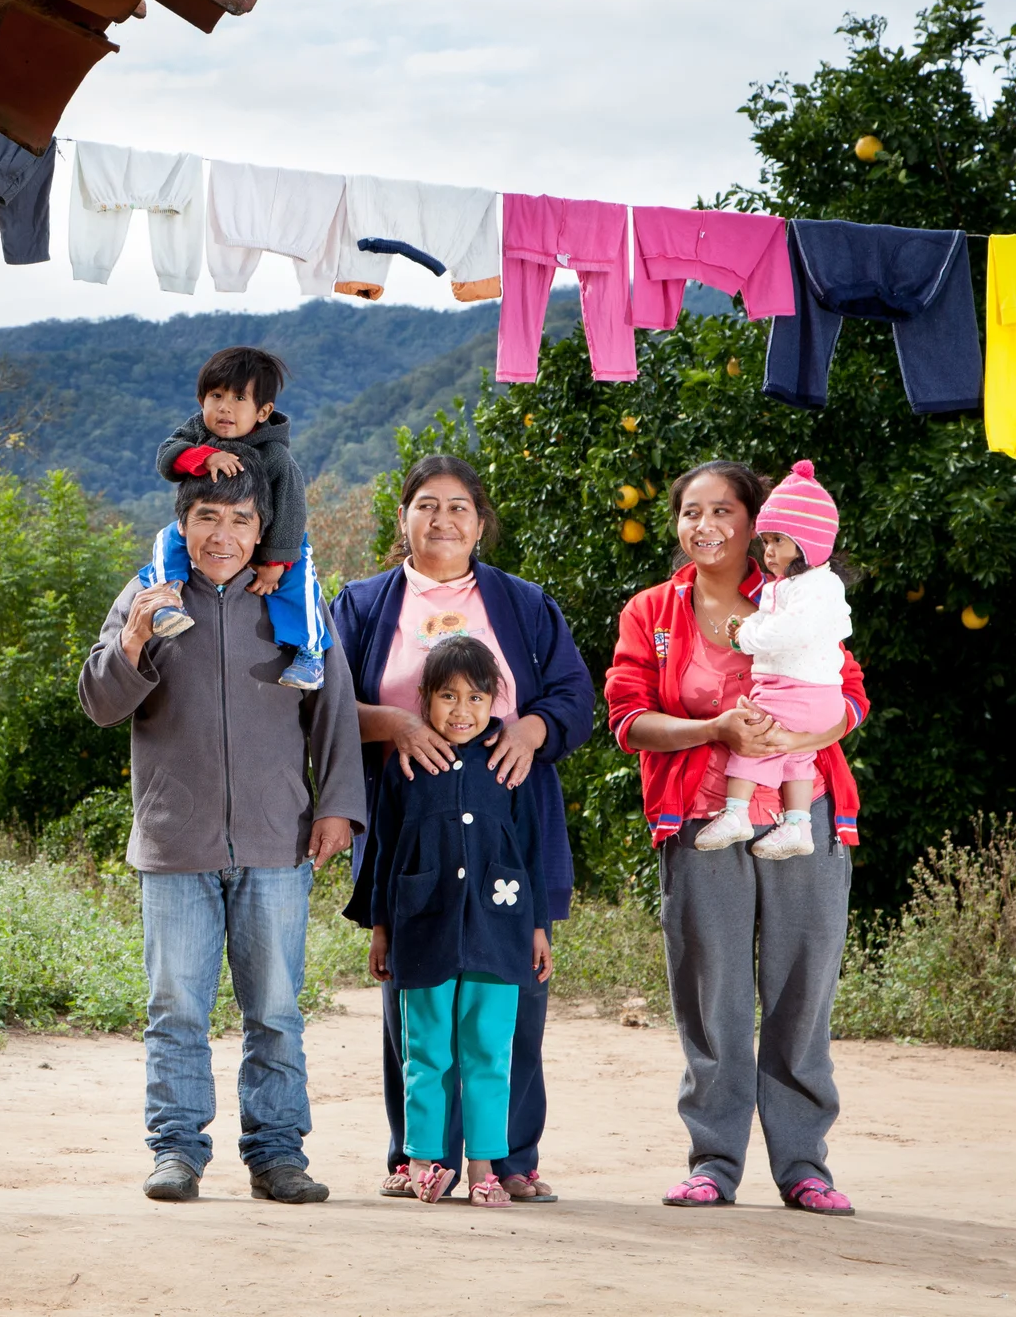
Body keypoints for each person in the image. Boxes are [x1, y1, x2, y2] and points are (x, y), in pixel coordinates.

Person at [79, 464, 367, 1206]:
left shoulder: (293, 599)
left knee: (274, 1008)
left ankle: (278, 1154)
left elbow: (332, 708)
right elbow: (100, 702)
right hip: (176, 843)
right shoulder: (151, 595)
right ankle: (176, 1149)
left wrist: (337, 805)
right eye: (209, 516)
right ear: (183, 523)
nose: (224, 535)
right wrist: (137, 638)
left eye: (241, 521)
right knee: (175, 1006)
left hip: (277, 840)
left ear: (261, 530)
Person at [604, 460, 866, 1217]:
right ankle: (713, 1161)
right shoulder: (652, 610)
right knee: (710, 989)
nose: (705, 525)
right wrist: (713, 728)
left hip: (802, 806)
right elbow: (627, 720)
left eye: (724, 510)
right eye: (691, 510)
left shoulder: (800, 593)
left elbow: (849, 694)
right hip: (700, 819)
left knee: (802, 984)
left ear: (759, 522)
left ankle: (804, 1164)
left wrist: (808, 728)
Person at [328, 454, 592, 1203]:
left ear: (481, 522)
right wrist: (394, 725)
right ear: (403, 517)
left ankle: (508, 1157)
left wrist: (533, 730)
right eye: (426, 505)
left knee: (508, 1003)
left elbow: (577, 694)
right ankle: (419, 1158)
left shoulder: (524, 603)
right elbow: (319, 703)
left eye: (459, 507)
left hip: (508, 830)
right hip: (412, 829)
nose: (442, 519)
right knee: (417, 1005)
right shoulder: (364, 603)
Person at [346, 635, 553, 1209]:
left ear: (495, 703)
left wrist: (536, 928)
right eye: (447, 697)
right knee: (426, 1053)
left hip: (500, 930)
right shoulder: (406, 766)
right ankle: (421, 1163)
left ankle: (485, 1165)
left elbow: (530, 851)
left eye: (476, 698)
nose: (461, 711)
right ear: (424, 699)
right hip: (422, 931)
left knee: (490, 1051)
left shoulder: (509, 765)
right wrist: (381, 928)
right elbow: (384, 852)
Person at [141, 345, 331, 690]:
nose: (225, 407)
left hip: (269, 538)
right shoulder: (198, 431)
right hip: (203, 530)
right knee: (167, 541)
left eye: (239, 398)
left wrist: (277, 561)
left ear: (263, 411)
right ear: (202, 401)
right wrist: (202, 457)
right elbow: (166, 457)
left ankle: (309, 652)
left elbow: (290, 509)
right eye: (216, 395)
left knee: (300, 580)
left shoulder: (275, 456)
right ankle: (167, 603)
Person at [698, 460, 852, 861]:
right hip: (815, 700)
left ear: (809, 545)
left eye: (778, 542)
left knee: (754, 735)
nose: (768, 552)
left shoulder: (816, 588)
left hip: (801, 694)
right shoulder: (796, 585)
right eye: (765, 542)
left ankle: (736, 813)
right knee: (797, 755)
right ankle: (799, 824)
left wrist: (743, 635)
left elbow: (785, 632)